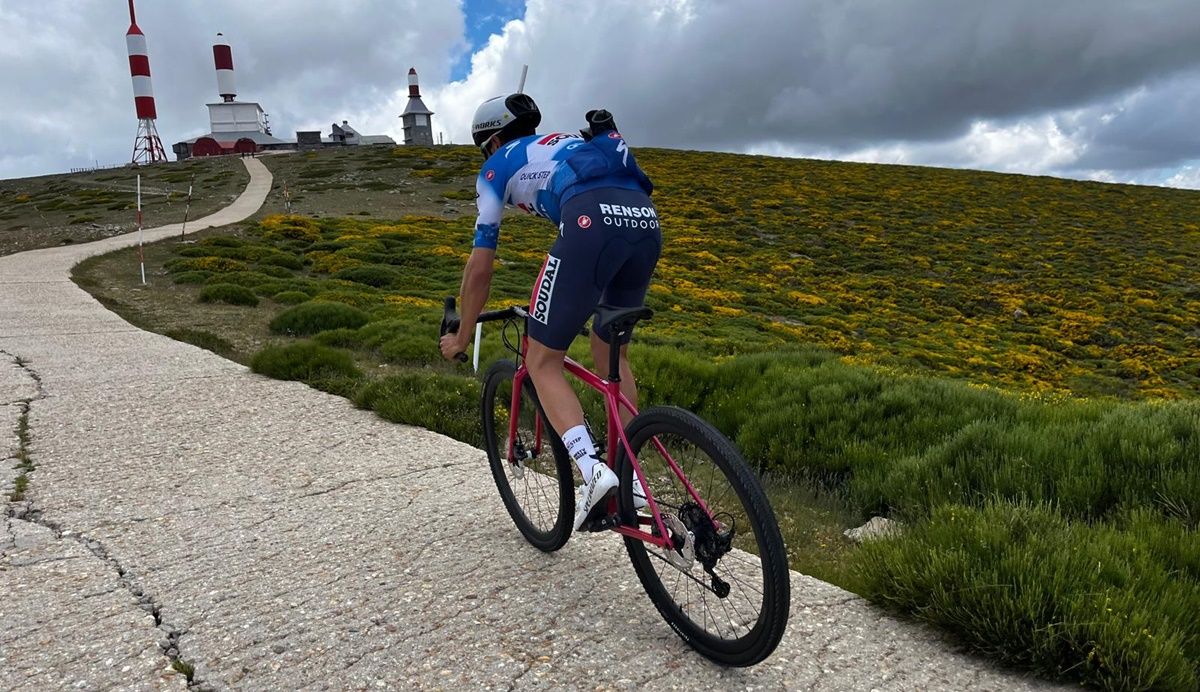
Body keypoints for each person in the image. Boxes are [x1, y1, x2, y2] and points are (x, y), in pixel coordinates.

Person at [439, 93, 660, 531]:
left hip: (588, 223)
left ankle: (594, 472)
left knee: (542, 360)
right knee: (611, 353)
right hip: (645, 223)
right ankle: (630, 473)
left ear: (494, 138)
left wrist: (463, 335)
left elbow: (480, 268)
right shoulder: (563, 144)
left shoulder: (496, 164)